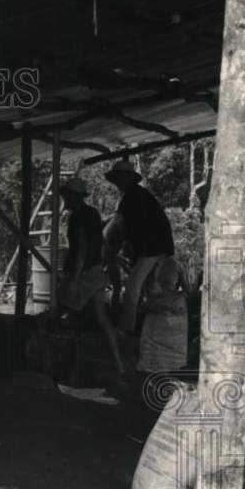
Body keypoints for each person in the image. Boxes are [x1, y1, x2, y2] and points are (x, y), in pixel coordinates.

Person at [57, 178, 126, 380]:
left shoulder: (78, 216)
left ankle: (67, 366)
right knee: (102, 318)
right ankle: (119, 363)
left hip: (84, 272)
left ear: (74, 196)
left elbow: (82, 248)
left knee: (60, 313)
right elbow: (101, 240)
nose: (64, 199)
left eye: (66, 195)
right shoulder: (93, 213)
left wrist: (74, 279)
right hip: (95, 270)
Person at [103, 159, 175, 334]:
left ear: (128, 178)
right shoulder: (137, 195)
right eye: (117, 178)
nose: (118, 182)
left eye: (121, 177)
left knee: (133, 290)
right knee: (152, 289)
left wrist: (110, 245)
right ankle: (157, 327)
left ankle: (127, 329)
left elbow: (118, 226)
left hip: (152, 248)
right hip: (158, 247)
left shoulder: (133, 196)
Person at [136, 256, 188, 373]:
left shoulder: (150, 265)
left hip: (159, 308)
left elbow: (144, 294)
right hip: (164, 308)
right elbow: (187, 290)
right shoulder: (177, 265)